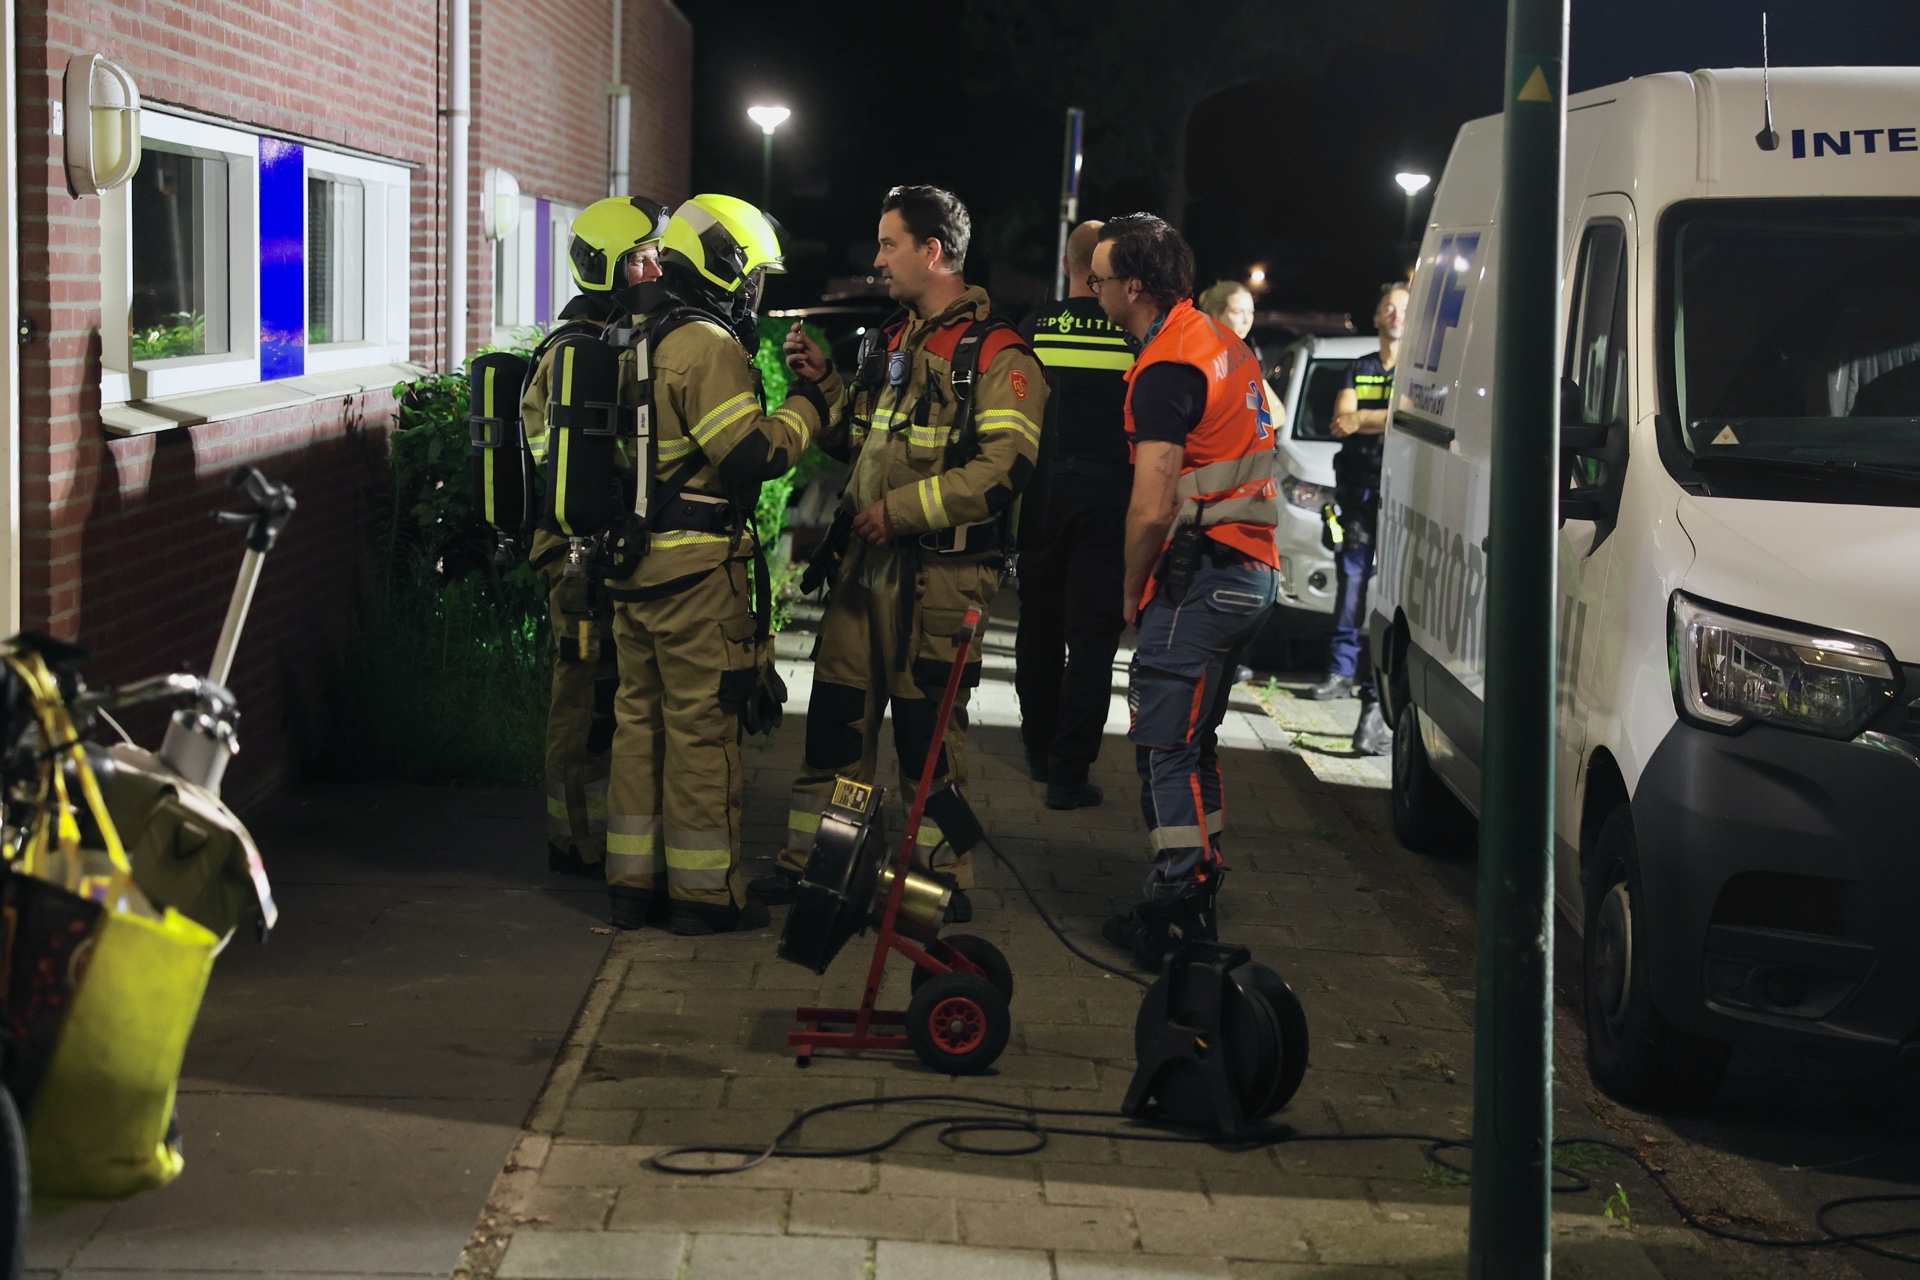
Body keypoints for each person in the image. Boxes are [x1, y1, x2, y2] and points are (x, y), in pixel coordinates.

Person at [527, 194, 832, 934]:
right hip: (696, 578)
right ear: (726, 266)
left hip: (631, 574)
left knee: (637, 724)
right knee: (699, 732)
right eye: (752, 273)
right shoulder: (704, 344)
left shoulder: (629, 331)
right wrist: (809, 403)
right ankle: (703, 896)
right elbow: (753, 455)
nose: (754, 290)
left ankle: (632, 886)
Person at [755, 186, 1048, 923]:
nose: (878, 261)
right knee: (837, 727)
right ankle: (819, 872)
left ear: (934, 251)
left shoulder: (998, 354)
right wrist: (823, 385)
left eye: (889, 245)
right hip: (865, 573)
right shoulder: (890, 342)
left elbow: (1006, 468)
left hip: (942, 584)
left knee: (927, 744)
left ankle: (939, 885)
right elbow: (859, 445)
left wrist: (904, 511)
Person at [1089, 214, 1280, 969]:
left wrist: (1128, 591)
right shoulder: (1220, 344)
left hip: (1203, 576)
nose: (1093, 289)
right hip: (1245, 572)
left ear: (1133, 286)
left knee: (1164, 746)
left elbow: (1152, 503)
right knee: (1193, 746)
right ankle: (1196, 881)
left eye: (1100, 279)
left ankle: (1175, 910)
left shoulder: (1167, 365)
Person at [523, 196, 668, 880]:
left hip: (600, 546)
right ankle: (573, 839)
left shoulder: (616, 336)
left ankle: (603, 827)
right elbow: (564, 462)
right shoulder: (575, 353)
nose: (655, 267)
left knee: (612, 696)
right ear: (609, 266)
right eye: (642, 257)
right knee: (584, 698)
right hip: (576, 555)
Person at [1013, 220, 1132, 811]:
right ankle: (1068, 771)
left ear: (1069, 267)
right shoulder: (1128, 332)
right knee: (1092, 639)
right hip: (1110, 498)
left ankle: (1036, 747)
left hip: (1043, 491)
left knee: (1038, 625)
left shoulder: (1034, 327)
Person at [1311, 282, 1409, 759]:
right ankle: (1339, 672)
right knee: (1350, 581)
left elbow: (1387, 416)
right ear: (1376, 316)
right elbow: (1340, 419)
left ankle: (1377, 695)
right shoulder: (1360, 366)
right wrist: (1388, 416)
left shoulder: (1419, 371)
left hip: (1402, 495)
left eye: (1402, 308)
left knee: (1391, 593)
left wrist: (1369, 417)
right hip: (1358, 489)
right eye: (1387, 306)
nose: (1394, 313)